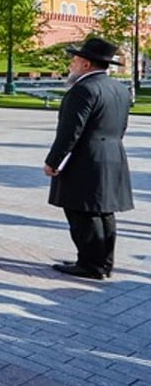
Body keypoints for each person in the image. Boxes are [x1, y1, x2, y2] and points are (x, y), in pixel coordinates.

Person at [43, 37, 133, 280]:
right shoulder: (119, 88)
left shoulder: (83, 89)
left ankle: (90, 265)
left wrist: (53, 161)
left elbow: (70, 131)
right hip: (113, 154)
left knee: (82, 212)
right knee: (104, 212)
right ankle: (103, 263)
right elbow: (122, 126)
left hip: (86, 159)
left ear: (85, 64)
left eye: (75, 60)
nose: (71, 64)